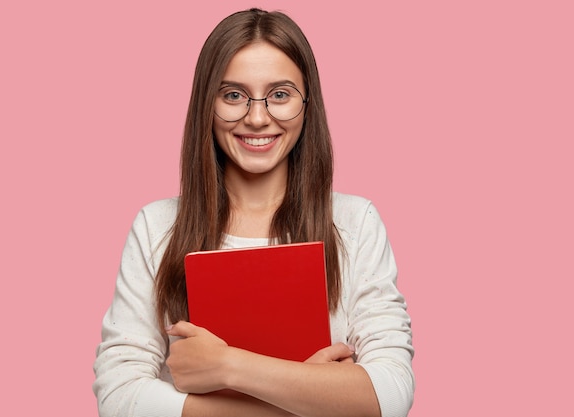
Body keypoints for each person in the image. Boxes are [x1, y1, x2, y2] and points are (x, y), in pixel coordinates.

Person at [93, 8, 414, 417]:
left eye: (279, 94)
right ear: (206, 105)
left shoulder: (355, 222)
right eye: (233, 95)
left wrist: (227, 366)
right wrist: (312, 399)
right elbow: (120, 397)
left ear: (306, 102)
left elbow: (390, 394)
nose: (257, 118)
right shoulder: (157, 227)